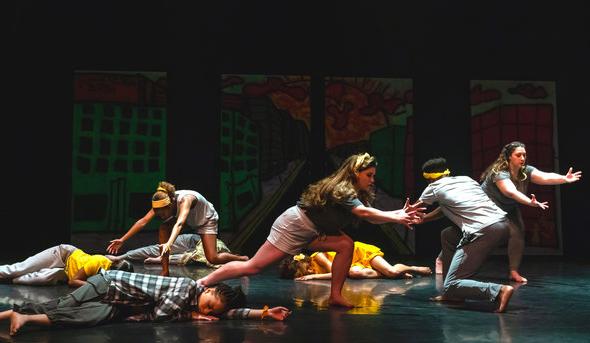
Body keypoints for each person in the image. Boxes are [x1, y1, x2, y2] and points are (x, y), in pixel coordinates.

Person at [197, 152, 424, 307]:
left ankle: (335, 295)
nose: (372, 180)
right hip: (295, 226)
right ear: (355, 172)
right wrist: (398, 217)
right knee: (253, 267)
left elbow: (372, 218)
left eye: (373, 175)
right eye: (369, 175)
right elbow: (364, 214)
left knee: (346, 245)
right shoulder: (343, 189)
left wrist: (398, 216)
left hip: (315, 231)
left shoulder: (355, 192)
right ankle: (204, 283)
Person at [0, 269, 291, 336]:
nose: (207, 311)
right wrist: (193, 317)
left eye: (211, 311)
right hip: (108, 284)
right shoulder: (188, 289)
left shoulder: (197, 300)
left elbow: (229, 313)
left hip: (119, 303)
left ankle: (19, 316)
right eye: (209, 304)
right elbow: (161, 317)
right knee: (64, 303)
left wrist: (263, 313)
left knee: (84, 318)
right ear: (209, 289)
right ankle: (11, 314)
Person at [415, 157, 514, 313]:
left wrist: (402, 216)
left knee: (451, 283)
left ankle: (498, 290)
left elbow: (413, 210)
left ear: (428, 179)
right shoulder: (466, 180)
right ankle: (453, 295)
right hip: (503, 225)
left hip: (483, 230)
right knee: (448, 235)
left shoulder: (433, 187)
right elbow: (445, 207)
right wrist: (426, 219)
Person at [480, 141, 582, 282]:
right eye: (518, 155)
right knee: (473, 235)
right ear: (509, 157)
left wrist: (564, 179)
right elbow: (510, 192)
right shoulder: (499, 173)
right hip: (486, 206)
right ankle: (443, 259)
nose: (522, 158)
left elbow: (544, 176)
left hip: (508, 208)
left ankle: (513, 271)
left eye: (524, 155)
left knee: (517, 233)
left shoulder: (525, 171)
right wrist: (530, 202)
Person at [106, 181, 248, 276]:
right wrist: (123, 239)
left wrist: (169, 243)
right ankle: (165, 271)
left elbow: (179, 223)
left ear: (172, 203)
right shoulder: (162, 202)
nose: (160, 214)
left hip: (205, 220)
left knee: (213, 258)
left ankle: (241, 258)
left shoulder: (186, 199)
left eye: (163, 211)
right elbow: (143, 221)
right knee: (163, 228)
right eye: (158, 212)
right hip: (184, 219)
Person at [279, 241, 432, 280]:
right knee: (354, 273)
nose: (308, 273)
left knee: (391, 271)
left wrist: (314, 276)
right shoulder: (311, 268)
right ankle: (391, 274)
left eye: (303, 272)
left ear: (303, 263)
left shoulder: (317, 256)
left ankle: (413, 268)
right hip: (353, 266)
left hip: (360, 253)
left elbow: (337, 273)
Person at [0, 244, 133, 287]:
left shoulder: (110, 272)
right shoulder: (98, 262)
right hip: (63, 254)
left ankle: (6, 280)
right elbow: (73, 281)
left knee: (32, 280)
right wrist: (94, 286)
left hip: (66, 271)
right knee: (19, 269)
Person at [106, 234, 232, 267]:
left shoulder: (216, 261)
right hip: (192, 241)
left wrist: (160, 260)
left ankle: (160, 259)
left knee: (190, 257)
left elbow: (190, 256)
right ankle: (120, 257)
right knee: (157, 248)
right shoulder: (220, 250)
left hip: (193, 249)